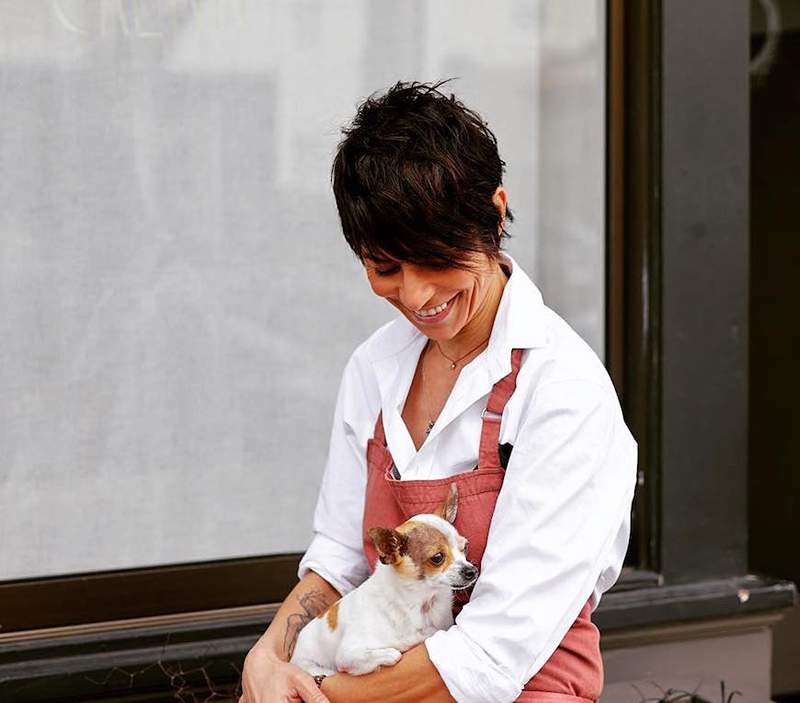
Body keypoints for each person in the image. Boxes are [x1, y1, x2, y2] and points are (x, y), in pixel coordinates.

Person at [239, 79, 638, 703]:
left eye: (436, 258)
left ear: (495, 211)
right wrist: (268, 658)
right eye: (386, 268)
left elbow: (491, 655)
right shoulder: (373, 370)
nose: (418, 295)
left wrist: (312, 690)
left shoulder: (563, 391)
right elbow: (343, 559)